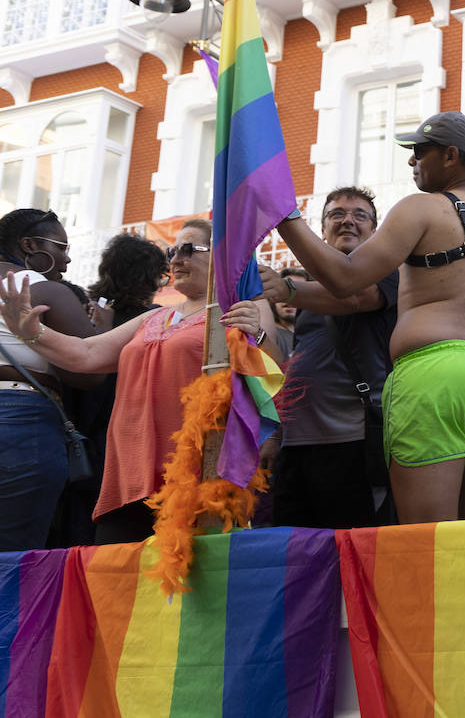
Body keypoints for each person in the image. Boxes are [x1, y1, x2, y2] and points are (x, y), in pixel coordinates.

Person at [274, 112, 465, 523]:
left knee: (426, 542)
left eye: (419, 153)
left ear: (450, 156)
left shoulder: (421, 208)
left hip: (433, 376)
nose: (412, 163)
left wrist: (284, 217)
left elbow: (345, 280)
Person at [0, 218, 276, 544]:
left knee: (195, 583)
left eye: (188, 249)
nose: (175, 259)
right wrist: (32, 334)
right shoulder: (155, 316)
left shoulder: (242, 307)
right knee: (118, 580)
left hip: (200, 472)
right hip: (130, 472)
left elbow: (271, 372)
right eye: (173, 250)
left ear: (221, 255)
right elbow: (86, 355)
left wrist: (256, 334)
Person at [259, 187, 398, 530]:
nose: (348, 220)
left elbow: (353, 297)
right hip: (296, 448)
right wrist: (276, 436)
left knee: (348, 558)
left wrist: (289, 290)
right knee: (293, 559)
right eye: (337, 214)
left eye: (360, 215)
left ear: (374, 232)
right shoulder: (308, 298)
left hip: (352, 445)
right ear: (322, 231)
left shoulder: (390, 270)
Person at [0, 209, 110, 551]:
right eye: (60, 246)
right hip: (20, 422)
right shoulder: (44, 289)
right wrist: (103, 324)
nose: (67, 258)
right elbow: (89, 371)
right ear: (29, 245)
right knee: (11, 559)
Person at [50, 233, 169, 546]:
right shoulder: (159, 321)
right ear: (151, 276)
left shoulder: (82, 312)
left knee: (70, 532)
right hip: (125, 440)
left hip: (73, 435)